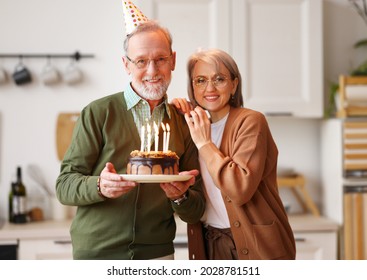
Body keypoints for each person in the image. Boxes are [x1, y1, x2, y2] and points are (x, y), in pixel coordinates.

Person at [55, 11, 205, 259]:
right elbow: (64, 186)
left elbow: (196, 210)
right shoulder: (98, 113)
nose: (152, 70)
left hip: (157, 256)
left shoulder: (184, 120)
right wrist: (100, 186)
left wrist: (181, 197)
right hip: (97, 254)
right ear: (126, 64)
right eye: (141, 61)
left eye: (160, 59)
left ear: (173, 61)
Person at [172, 48, 296, 260]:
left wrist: (204, 143)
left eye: (219, 79)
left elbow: (239, 189)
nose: (209, 88)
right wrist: (173, 112)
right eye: (200, 80)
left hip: (257, 247)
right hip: (211, 245)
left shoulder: (251, 122)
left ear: (234, 84)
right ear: (192, 87)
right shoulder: (193, 126)